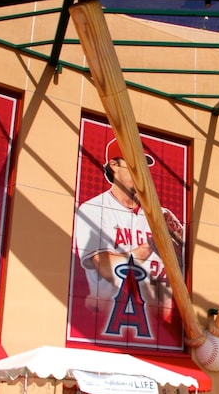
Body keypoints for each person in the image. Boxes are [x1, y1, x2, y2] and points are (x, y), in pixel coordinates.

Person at [73, 138, 185, 338]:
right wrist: (150, 246)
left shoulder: (161, 214)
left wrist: (181, 246)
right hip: (106, 324)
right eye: (134, 163)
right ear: (113, 165)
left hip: (163, 328)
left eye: (144, 165)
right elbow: (105, 265)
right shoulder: (93, 209)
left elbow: (184, 270)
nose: (141, 170)